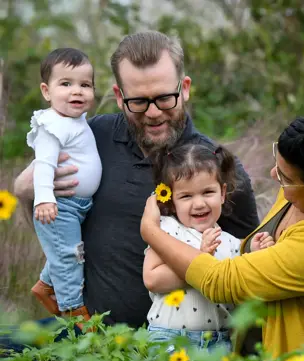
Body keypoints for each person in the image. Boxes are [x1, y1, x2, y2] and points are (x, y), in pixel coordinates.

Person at [12, 31, 259, 330]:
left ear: (185, 88)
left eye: (165, 98)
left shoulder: (218, 169)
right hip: (88, 336)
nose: (154, 113)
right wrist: (26, 192)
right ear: (118, 96)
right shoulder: (91, 138)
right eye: (139, 101)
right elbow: (55, 221)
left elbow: (250, 277)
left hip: (175, 351)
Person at [140, 114, 304, 358]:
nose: (275, 176)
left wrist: (150, 231)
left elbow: (221, 281)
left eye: (285, 177)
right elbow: (256, 264)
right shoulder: (293, 198)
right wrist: (254, 249)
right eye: (277, 161)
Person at [144, 143, 272, 351]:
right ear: (171, 200)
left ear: (222, 193)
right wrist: (199, 259)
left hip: (220, 341)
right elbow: (152, 279)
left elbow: (241, 285)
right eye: (186, 196)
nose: (199, 203)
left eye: (207, 192)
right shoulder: (166, 232)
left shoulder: (231, 242)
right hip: (171, 340)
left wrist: (255, 253)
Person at [27, 48, 101, 328]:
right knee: (71, 257)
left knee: (65, 250)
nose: (77, 91)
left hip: (78, 206)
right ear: (47, 91)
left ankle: (46, 286)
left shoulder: (76, 120)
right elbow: (44, 164)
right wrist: (44, 199)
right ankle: (72, 311)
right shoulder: (51, 124)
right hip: (60, 206)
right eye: (66, 84)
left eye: (85, 85)